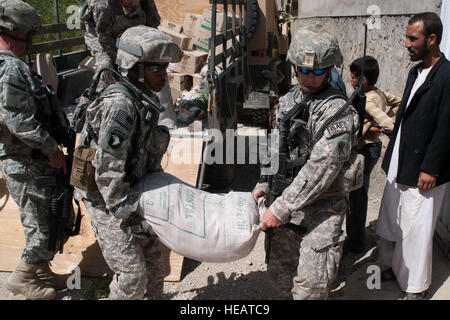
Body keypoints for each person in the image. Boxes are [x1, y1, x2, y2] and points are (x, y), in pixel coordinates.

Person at [252, 25, 361, 300]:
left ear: (330, 69)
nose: (309, 77)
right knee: (280, 283)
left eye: (317, 72)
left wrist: (278, 210)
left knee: (310, 291)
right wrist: (264, 182)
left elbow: (321, 170)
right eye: (303, 70)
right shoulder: (288, 100)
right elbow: (274, 146)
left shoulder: (338, 112)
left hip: (321, 211)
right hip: (287, 207)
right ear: (294, 66)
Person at [74, 26, 182, 300]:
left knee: (156, 268)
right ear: (134, 66)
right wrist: (130, 214)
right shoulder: (120, 105)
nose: (163, 75)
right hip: (108, 200)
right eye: (156, 68)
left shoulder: (143, 98)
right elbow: (107, 171)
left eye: (165, 67)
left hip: (133, 192)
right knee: (133, 277)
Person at [376, 12, 450, 300]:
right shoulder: (415, 71)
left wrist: (431, 168)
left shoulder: (446, 76)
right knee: (394, 219)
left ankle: (417, 287)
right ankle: (396, 268)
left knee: (418, 228)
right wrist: (390, 153)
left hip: (425, 170)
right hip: (402, 162)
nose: (406, 43)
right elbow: (406, 117)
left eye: (412, 38)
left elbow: (446, 127)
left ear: (431, 39)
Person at [0, 0, 68, 300]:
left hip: (26, 159)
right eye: (31, 34)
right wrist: (52, 149)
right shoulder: (10, 68)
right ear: (19, 32)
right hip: (25, 161)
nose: (32, 41)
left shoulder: (12, 66)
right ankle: (22, 279)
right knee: (42, 225)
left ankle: (40, 272)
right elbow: (19, 121)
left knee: (44, 220)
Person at [80, 0, 177, 128]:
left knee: (154, 62)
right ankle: (102, 111)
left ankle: (164, 117)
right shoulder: (103, 5)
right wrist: (123, 62)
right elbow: (104, 38)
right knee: (106, 67)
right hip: (102, 36)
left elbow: (153, 29)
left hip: (132, 32)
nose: (132, 3)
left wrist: (148, 55)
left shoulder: (146, 2)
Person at [345, 56, 401, 253]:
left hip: (365, 150)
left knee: (357, 198)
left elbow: (388, 124)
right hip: (372, 149)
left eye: (353, 77)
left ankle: (355, 242)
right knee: (357, 195)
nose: (350, 81)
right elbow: (400, 103)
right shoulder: (379, 92)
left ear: (363, 80)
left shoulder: (368, 100)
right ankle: (354, 237)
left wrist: (378, 127)